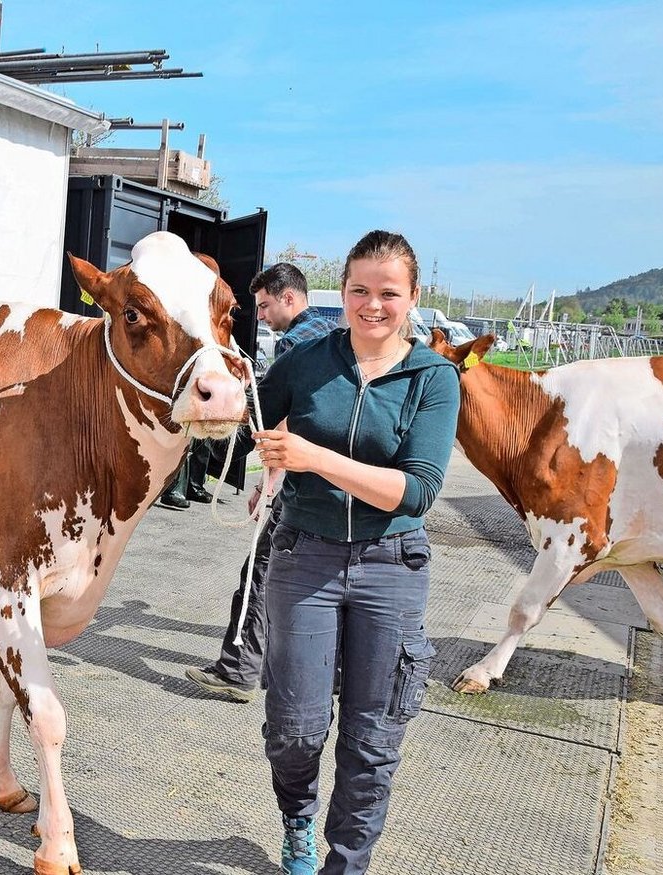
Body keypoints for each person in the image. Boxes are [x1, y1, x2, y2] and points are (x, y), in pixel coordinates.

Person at [249, 231, 460, 874]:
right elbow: (246, 411)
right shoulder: (307, 362)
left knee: (373, 740)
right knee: (296, 728)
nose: (372, 305)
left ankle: (347, 864)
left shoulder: (434, 378)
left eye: (388, 293)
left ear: (413, 298)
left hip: (390, 565)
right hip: (304, 555)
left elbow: (416, 491)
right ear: (339, 294)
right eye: (359, 290)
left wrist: (311, 457)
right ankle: (297, 820)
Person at [185, 262, 334, 701]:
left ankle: (237, 669)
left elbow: (283, 421)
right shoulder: (333, 337)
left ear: (290, 298)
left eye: (266, 306)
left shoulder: (295, 345)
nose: (263, 317)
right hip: (329, 479)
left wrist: (268, 483)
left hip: (300, 482)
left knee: (260, 573)